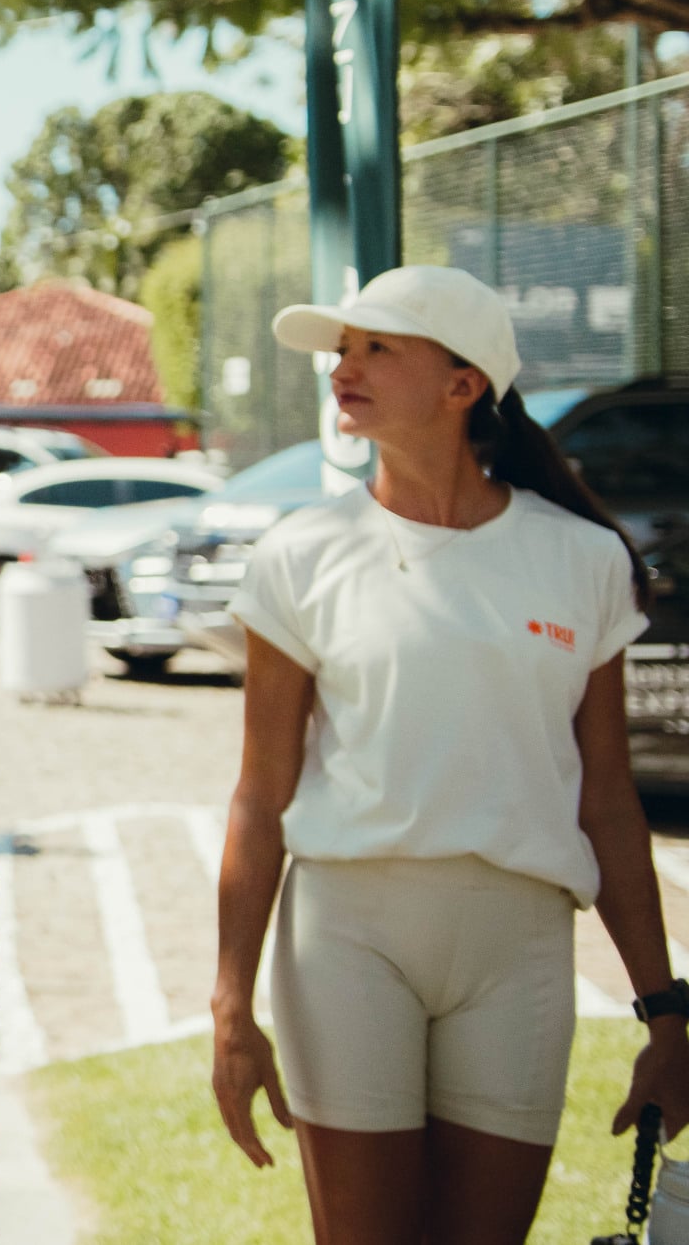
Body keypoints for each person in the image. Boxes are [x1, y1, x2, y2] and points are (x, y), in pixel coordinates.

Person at [209, 264, 689, 1242]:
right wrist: (229, 1007)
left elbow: (607, 803)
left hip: (520, 950)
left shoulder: (583, 559)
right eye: (342, 348)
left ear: (464, 383)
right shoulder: (299, 555)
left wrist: (665, 1014)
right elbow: (259, 796)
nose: (344, 367)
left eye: (377, 347)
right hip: (345, 940)